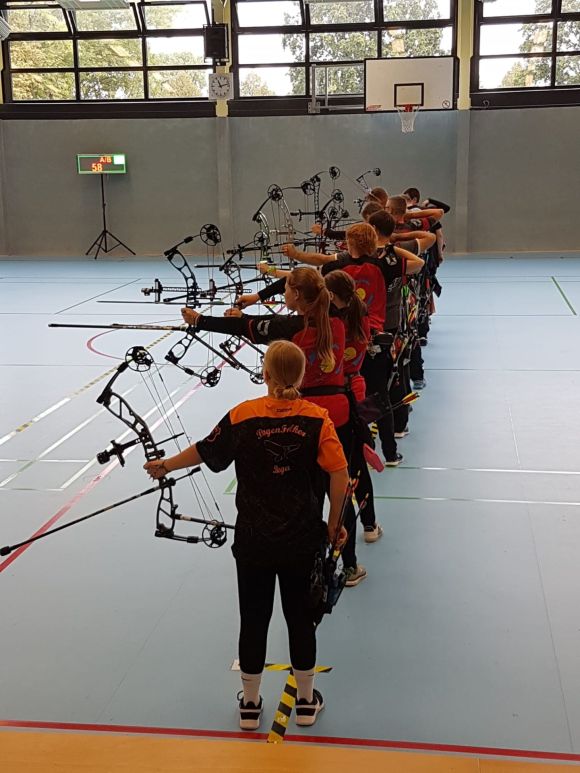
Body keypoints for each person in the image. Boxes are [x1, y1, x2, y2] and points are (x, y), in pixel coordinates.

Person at [144, 341, 349, 731]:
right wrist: (334, 523)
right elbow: (339, 475)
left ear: (265, 374)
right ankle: (306, 703)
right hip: (301, 540)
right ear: (302, 375)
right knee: (300, 619)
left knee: (254, 619)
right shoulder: (317, 419)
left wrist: (166, 465)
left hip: (254, 541)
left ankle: (250, 707)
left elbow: (206, 450)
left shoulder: (243, 415)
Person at [183, 267, 367, 586]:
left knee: (309, 493)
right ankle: (348, 565)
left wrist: (200, 321)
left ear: (296, 295)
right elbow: (259, 317)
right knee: (339, 488)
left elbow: (246, 327)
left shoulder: (291, 327)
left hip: (307, 419)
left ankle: (310, 561)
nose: (283, 293)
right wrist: (248, 308)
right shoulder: (337, 316)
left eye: (287, 289)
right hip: (340, 414)